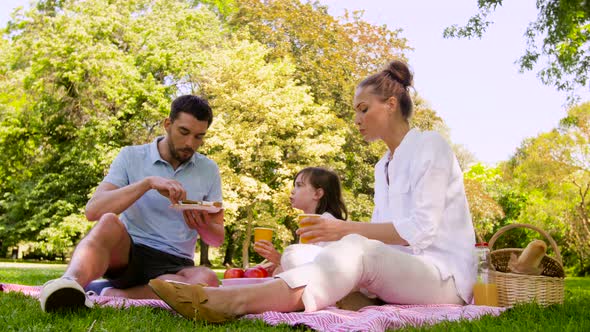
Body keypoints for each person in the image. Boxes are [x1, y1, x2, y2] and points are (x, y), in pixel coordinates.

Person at [148, 60, 476, 323]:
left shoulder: (430, 146)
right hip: (398, 272)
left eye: (363, 109)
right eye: (355, 112)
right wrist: (341, 238)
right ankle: (350, 297)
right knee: (298, 254)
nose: (357, 119)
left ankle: (235, 302)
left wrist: (344, 230)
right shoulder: (383, 166)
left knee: (358, 250)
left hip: (441, 277)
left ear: (391, 104)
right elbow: (381, 236)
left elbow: (419, 231)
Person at [39, 95, 225, 312]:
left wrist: (202, 226)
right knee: (108, 221)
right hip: (129, 254)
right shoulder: (130, 156)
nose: (190, 143)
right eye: (184, 132)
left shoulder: (209, 170)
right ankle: (67, 285)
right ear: (167, 124)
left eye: (199, 137)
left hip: (176, 265)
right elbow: (93, 211)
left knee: (208, 279)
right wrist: (147, 184)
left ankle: (114, 295)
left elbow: (217, 238)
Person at [254, 167, 348, 274]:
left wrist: (279, 259)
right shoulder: (311, 223)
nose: (292, 191)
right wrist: (279, 263)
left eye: (299, 185)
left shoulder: (328, 225)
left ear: (317, 194)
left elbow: (320, 271)